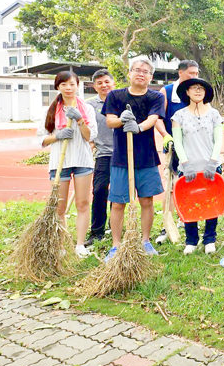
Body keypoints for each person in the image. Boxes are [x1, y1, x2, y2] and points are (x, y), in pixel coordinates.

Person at [103, 59, 166, 262]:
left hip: (146, 157)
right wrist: (123, 120)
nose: (141, 74)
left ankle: (145, 241)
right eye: (137, 70)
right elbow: (110, 120)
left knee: (146, 200)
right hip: (121, 157)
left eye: (146, 71)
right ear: (129, 73)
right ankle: (116, 245)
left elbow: (153, 119)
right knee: (118, 203)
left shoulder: (155, 96)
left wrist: (138, 127)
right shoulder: (115, 95)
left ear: (150, 77)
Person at [37, 71, 97, 259]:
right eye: (64, 84)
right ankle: (62, 245)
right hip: (59, 163)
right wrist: (57, 135)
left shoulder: (86, 108)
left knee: (82, 203)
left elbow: (90, 136)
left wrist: (79, 119)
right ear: (58, 87)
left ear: (78, 85)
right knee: (59, 207)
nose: (68, 88)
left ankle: (80, 245)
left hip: (82, 161)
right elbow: (41, 139)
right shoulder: (50, 110)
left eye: (72, 84)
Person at [171, 78, 223, 255]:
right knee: (189, 202)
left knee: (211, 201)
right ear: (187, 92)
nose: (198, 91)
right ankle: (191, 240)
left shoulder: (214, 114)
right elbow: (178, 143)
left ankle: (210, 238)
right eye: (193, 88)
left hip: (210, 166)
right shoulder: (179, 116)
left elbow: (218, 140)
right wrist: (185, 163)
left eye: (201, 88)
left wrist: (213, 161)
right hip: (189, 167)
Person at [155, 60, 200, 244]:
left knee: (190, 186)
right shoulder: (166, 92)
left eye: (196, 73)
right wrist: (166, 135)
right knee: (172, 187)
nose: (194, 77)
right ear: (180, 73)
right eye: (191, 73)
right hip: (174, 148)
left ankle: (188, 220)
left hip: (194, 148)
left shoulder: (197, 91)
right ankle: (167, 225)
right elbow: (157, 118)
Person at [85, 69, 116, 247]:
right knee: (99, 191)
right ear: (94, 86)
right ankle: (97, 231)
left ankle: (115, 226)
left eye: (106, 82)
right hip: (103, 154)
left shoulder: (121, 100)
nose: (104, 85)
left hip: (122, 154)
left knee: (118, 193)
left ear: (113, 83)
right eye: (99, 83)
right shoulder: (89, 105)